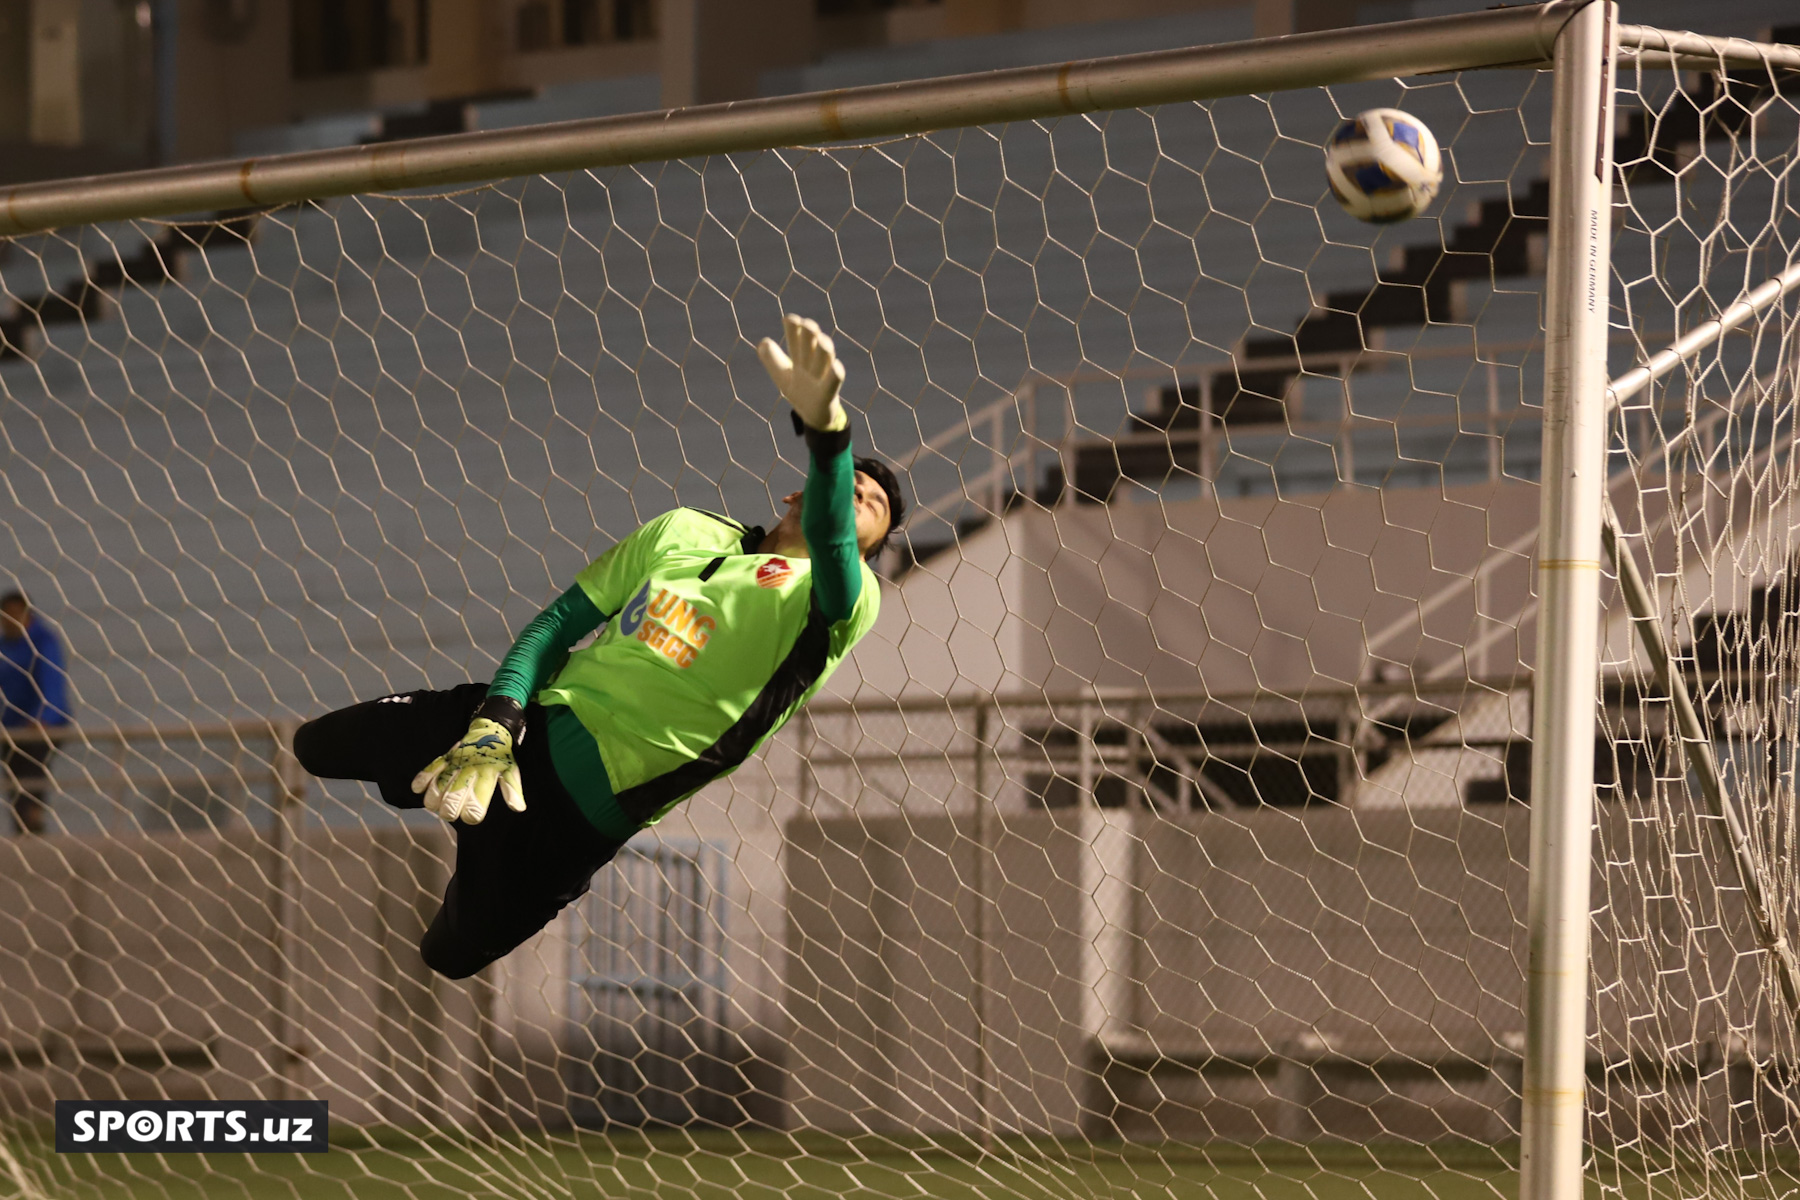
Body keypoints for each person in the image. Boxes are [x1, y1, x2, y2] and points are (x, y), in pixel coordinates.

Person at [294, 315, 904, 979]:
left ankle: (448, 813)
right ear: (795, 489)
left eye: (867, 503)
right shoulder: (686, 529)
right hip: (518, 741)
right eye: (850, 485)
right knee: (317, 746)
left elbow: (834, 541)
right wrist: (497, 719)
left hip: (576, 826)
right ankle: (442, 782)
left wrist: (830, 436)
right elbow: (559, 621)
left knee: (448, 956)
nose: (852, 498)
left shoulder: (843, 603)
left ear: (870, 545)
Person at [0, 590, 73, 834]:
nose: (9, 621)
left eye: (14, 615)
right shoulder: (3, 647)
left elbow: (52, 681)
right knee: (14, 773)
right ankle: (23, 825)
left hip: (42, 723)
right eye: (4, 616)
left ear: (26, 615)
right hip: (10, 727)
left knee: (34, 764)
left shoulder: (43, 641)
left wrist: (44, 717)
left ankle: (33, 816)